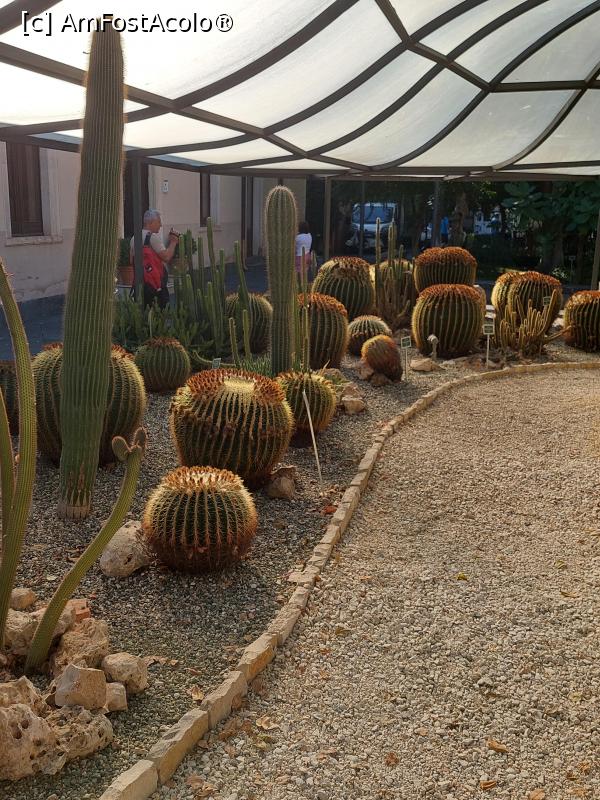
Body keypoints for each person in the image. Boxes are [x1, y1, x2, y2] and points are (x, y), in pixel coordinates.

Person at [129, 209, 178, 309]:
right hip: (155, 287)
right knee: (159, 314)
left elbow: (131, 261)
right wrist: (173, 242)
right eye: (158, 221)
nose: (160, 225)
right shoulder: (153, 237)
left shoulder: (134, 238)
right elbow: (167, 257)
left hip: (139, 286)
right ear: (150, 222)